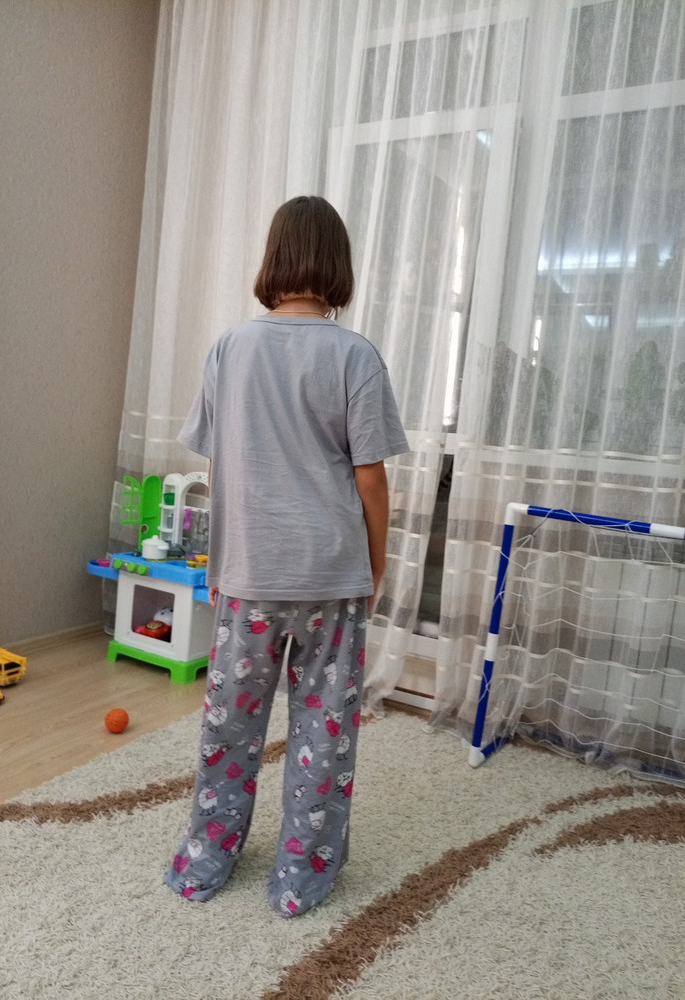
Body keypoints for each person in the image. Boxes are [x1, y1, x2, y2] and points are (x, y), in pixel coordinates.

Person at [164, 194, 409, 917]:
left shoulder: (229, 348)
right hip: (332, 574)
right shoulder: (356, 355)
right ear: (338, 265)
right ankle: (301, 877)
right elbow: (371, 478)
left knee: (229, 727)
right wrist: (376, 564)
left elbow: (221, 468)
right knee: (322, 733)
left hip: (250, 576)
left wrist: (219, 564)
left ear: (273, 259)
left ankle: (205, 860)